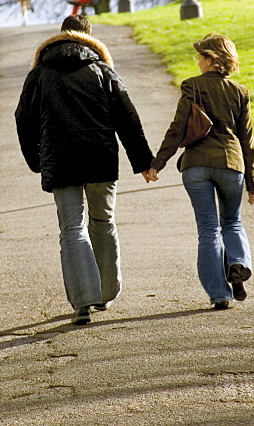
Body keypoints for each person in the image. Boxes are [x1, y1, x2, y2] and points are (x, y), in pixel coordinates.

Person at [15, 24, 153, 325]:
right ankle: (105, 293)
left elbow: (23, 119)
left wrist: (35, 160)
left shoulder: (39, 74)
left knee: (72, 228)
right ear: (90, 39)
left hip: (60, 160)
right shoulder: (102, 71)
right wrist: (143, 160)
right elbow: (128, 117)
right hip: (100, 157)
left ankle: (83, 302)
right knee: (103, 221)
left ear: (59, 36)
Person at [148, 33, 254, 310]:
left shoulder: (192, 87)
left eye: (200, 57)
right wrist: (252, 183)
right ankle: (238, 262)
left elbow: (177, 129)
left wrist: (157, 163)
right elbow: (248, 141)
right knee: (231, 222)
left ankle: (219, 294)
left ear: (211, 60)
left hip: (196, 166)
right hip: (231, 165)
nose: (197, 61)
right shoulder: (240, 92)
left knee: (208, 229)